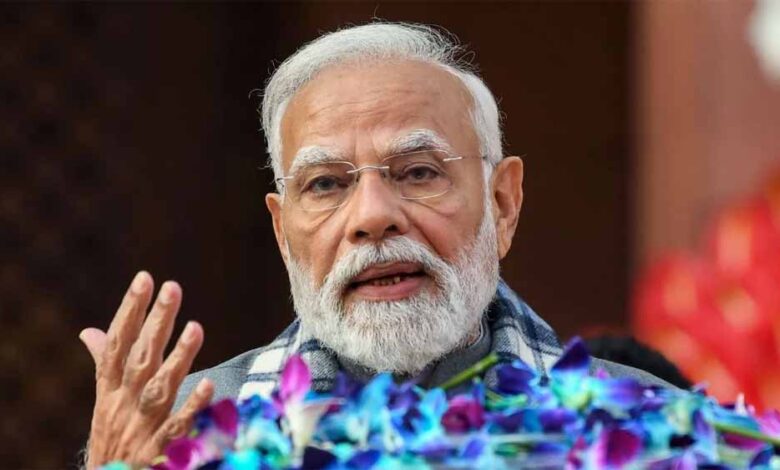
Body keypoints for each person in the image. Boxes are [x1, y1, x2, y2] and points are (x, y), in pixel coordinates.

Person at [78, 22, 671, 468]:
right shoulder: (182, 433)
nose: (372, 217)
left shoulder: (651, 428)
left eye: (418, 172)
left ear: (502, 203)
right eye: (326, 184)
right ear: (283, 232)